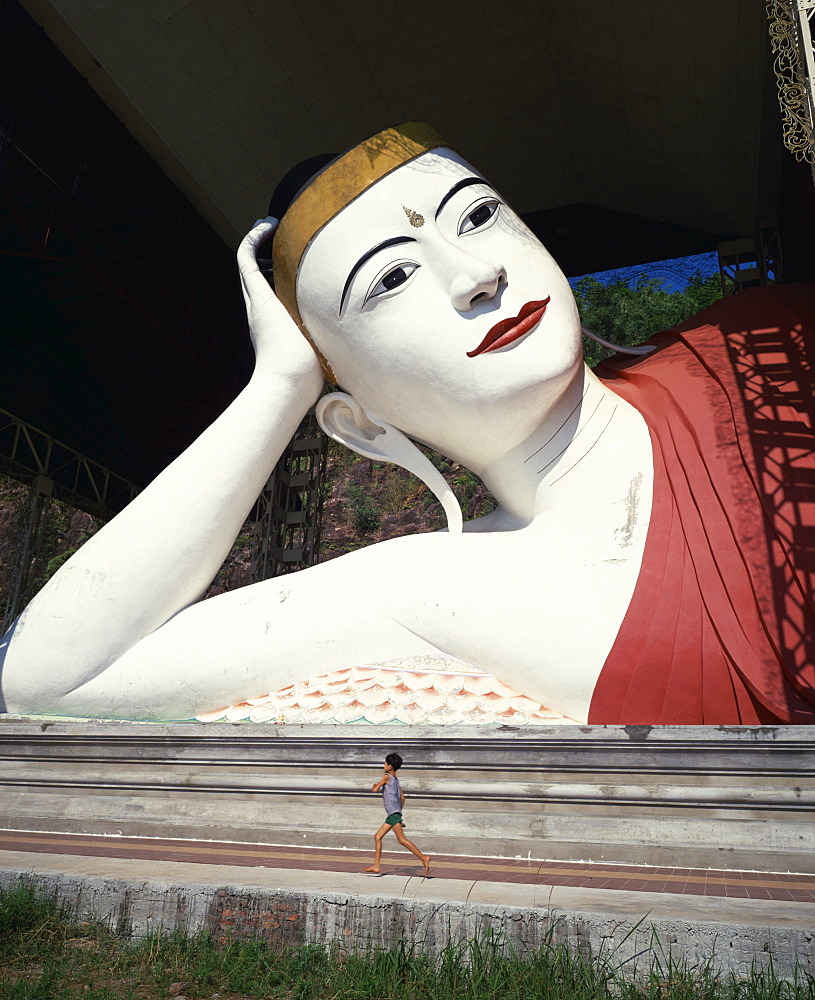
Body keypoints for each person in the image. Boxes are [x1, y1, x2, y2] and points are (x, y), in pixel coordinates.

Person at [1, 122, 813, 726]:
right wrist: (279, 386)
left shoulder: (761, 341)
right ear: (356, 424)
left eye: (479, 216)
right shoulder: (431, 586)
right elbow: (49, 679)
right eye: (391, 277)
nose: (474, 275)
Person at [364, 752, 430, 876]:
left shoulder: (386, 777)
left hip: (393, 815)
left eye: (385, 763)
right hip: (394, 814)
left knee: (401, 840)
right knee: (377, 837)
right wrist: (398, 812)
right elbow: (403, 798)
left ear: (390, 767)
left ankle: (423, 858)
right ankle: (376, 866)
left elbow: (375, 789)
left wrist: (374, 786)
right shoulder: (396, 780)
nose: (384, 765)